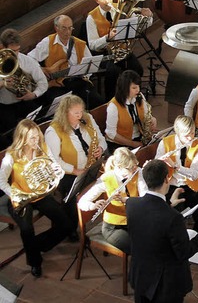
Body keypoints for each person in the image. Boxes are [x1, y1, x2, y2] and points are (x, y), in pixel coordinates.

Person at [126, 159, 198, 303]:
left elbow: (152, 219)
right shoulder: (173, 218)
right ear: (167, 179)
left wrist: (169, 204)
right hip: (165, 284)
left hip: (141, 275)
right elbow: (184, 252)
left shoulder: (132, 204)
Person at [0, 119, 73, 277]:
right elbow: (1, 181)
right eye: (32, 138)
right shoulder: (11, 156)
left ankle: (37, 245)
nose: (37, 141)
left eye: (37, 137)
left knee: (66, 224)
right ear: (23, 139)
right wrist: (16, 194)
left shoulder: (42, 147)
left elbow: (56, 167)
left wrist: (57, 172)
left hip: (40, 194)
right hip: (20, 197)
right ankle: (35, 262)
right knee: (26, 229)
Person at [45, 94, 107, 233]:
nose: (80, 115)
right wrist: (75, 171)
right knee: (72, 195)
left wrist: (101, 148)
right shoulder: (53, 131)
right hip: (66, 172)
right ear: (65, 113)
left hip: (91, 166)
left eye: (81, 111)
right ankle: (70, 227)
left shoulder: (87, 119)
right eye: (76, 113)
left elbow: (101, 138)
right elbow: (54, 161)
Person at [78, 147, 147, 254]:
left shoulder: (138, 172)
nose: (135, 169)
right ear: (119, 167)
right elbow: (82, 202)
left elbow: (145, 199)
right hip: (113, 227)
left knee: (154, 241)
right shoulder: (105, 179)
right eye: (131, 168)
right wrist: (93, 205)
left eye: (135, 165)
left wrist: (126, 200)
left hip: (134, 221)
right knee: (138, 250)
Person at [28, 15, 104, 109]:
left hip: (78, 81)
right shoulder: (48, 42)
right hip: (57, 84)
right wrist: (40, 69)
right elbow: (29, 58)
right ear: (56, 28)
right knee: (66, 107)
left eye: (70, 28)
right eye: (64, 28)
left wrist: (83, 73)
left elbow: (90, 64)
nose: (67, 32)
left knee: (98, 101)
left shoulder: (80, 44)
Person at [86, 0, 148, 99]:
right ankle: (110, 100)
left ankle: (131, 95)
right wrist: (107, 38)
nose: (108, 0)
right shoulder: (91, 18)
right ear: (97, 1)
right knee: (112, 72)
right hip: (104, 53)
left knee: (137, 69)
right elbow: (92, 45)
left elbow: (139, 25)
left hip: (121, 49)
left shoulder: (118, 8)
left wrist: (148, 18)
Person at [155, 115, 198, 231]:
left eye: (193, 133)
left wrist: (175, 166)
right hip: (172, 186)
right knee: (174, 222)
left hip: (193, 186)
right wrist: (161, 163)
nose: (190, 138)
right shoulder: (165, 143)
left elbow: (194, 174)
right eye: (186, 135)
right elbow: (157, 170)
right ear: (177, 132)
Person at [0, 29, 49, 134]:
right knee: (14, 133)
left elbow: (43, 82)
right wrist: (3, 84)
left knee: (43, 122)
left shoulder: (27, 61)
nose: (16, 54)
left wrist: (34, 95)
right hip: (5, 107)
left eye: (18, 50)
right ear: (3, 47)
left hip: (25, 101)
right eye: (12, 51)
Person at [105, 70, 157, 150]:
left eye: (138, 86)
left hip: (138, 138)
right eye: (134, 88)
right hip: (119, 144)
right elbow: (110, 133)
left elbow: (147, 115)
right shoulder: (113, 106)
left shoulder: (139, 97)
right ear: (124, 88)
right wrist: (133, 144)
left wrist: (152, 119)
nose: (138, 90)